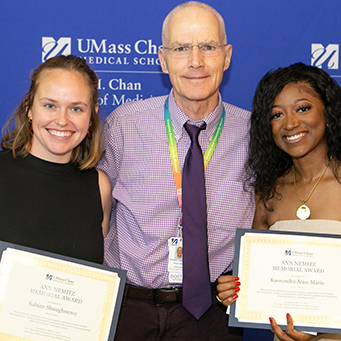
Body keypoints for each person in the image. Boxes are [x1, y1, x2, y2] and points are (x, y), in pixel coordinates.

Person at [216, 62, 341, 341]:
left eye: (302, 108)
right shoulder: (269, 191)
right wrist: (233, 289)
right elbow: (254, 280)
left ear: (328, 112)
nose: (291, 123)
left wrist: (321, 323)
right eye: (276, 115)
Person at [97, 2, 253, 340]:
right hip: (128, 311)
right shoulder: (125, 124)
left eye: (208, 47)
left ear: (226, 57)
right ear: (162, 59)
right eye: (181, 48)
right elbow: (89, 213)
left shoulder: (254, 134)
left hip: (213, 316)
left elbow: (273, 220)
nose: (196, 61)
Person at [0, 55, 111, 340]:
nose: (62, 120)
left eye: (76, 108)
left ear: (92, 115)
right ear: (29, 109)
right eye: (50, 105)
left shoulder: (99, 186)